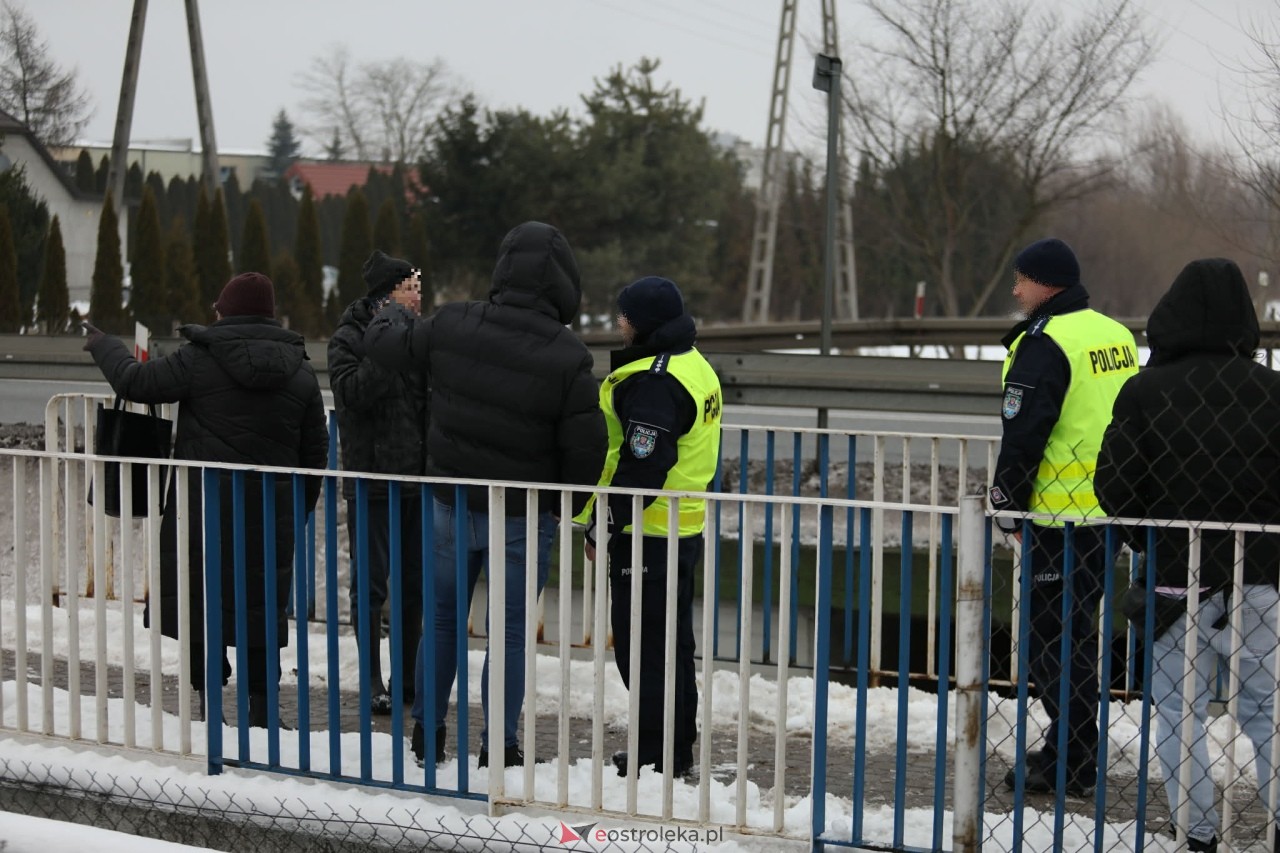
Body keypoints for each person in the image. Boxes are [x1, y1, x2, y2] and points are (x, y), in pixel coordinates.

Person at [363, 221, 607, 769]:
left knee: (443, 619)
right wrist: (562, 504)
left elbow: (382, 346)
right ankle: (500, 744)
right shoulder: (568, 355)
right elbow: (587, 449)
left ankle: (428, 734)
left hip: (450, 503)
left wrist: (398, 310)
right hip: (521, 514)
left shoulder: (452, 322)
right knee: (512, 633)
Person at [84, 272, 328, 727]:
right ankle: (261, 714)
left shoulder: (199, 359)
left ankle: (207, 709)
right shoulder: (300, 368)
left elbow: (134, 382)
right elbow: (316, 451)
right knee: (259, 608)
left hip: (201, 511)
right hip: (271, 516)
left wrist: (104, 345)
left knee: (202, 603)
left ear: (226, 311)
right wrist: (296, 508)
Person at [1096, 258, 1280, 853]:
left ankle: (1197, 831)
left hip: (1176, 578)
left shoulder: (1145, 391)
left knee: (1178, 708)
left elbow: (1115, 485)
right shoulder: (1273, 392)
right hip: (1261, 574)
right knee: (1265, 707)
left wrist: (1146, 534)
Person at [988, 238, 1138, 795]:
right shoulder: (1114, 335)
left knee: (1049, 640)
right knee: (1076, 635)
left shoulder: (1047, 341)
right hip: (1109, 511)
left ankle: (1072, 758)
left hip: (1059, 518)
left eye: (1022, 279)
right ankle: (1071, 750)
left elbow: (1024, 433)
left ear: (1046, 284)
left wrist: (1006, 500)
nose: (1016, 289)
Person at [576, 276, 722, 778]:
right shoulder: (693, 363)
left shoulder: (656, 381)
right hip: (681, 529)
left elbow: (642, 467)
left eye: (624, 316)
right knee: (672, 645)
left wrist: (603, 528)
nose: (618, 323)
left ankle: (660, 756)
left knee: (644, 650)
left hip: (649, 535)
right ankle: (671, 748)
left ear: (643, 323)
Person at [329, 250, 428, 716]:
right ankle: (371, 681)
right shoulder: (349, 336)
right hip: (370, 479)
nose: (418, 296)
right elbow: (349, 394)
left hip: (417, 480)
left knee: (413, 584)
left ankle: (405, 678)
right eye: (411, 288)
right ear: (387, 295)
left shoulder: (422, 337)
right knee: (370, 586)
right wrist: (385, 349)